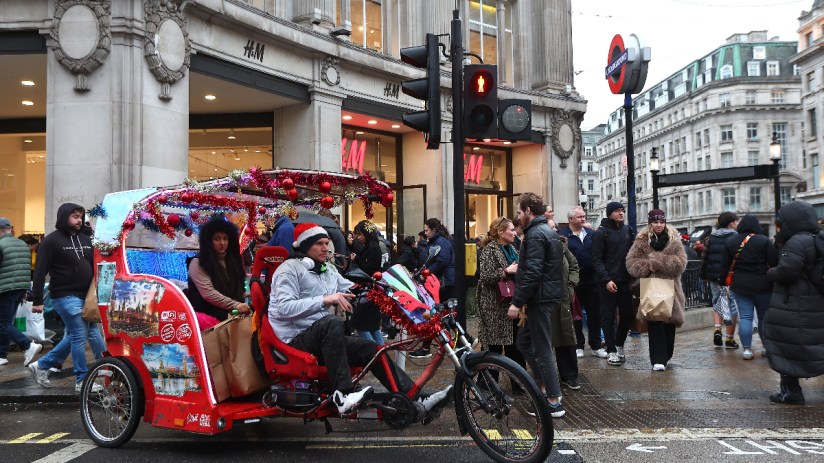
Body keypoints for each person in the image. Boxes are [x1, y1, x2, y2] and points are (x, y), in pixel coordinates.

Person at [268, 223, 451, 415]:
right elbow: (283, 308)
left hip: (323, 338)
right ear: (305, 246)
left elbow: (350, 286)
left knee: (371, 349)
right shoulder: (288, 270)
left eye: (326, 243)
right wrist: (325, 300)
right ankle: (343, 395)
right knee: (332, 322)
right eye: (319, 244)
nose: (325, 248)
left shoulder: (327, 269)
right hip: (294, 341)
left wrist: (387, 290)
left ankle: (415, 398)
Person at [28, 204, 101, 392]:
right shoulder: (51, 241)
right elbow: (40, 272)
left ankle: (42, 365)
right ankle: (82, 380)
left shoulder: (85, 238)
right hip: (64, 295)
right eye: (74, 216)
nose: (79, 220)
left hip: (86, 296)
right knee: (79, 334)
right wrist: (37, 300)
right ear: (63, 217)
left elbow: (94, 263)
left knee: (90, 332)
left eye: (80, 216)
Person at [507, 192, 566, 418]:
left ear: (529, 211)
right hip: (544, 296)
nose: (518, 216)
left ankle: (553, 400)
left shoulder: (534, 235)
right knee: (524, 341)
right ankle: (542, 387)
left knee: (543, 349)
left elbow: (532, 273)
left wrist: (516, 302)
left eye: (520, 212)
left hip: (540, 298)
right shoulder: (544, 232)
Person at [762, 201, 824, 405]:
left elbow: (788, 271)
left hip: (794, 305)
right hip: (816, 303)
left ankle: (791, 392)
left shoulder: (795, 242)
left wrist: (770, 273)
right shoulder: (816, 238)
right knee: (817, 345)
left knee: (786, 347)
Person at [625, 209, 688, 371]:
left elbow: (681, 263)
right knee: (655, 323)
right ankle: (657, 359)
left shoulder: (674, 239)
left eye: (661, 222)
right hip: (652, 287)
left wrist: (658, 261)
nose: (659, 225)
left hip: (672, 287)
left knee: (668, 325)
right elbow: (631, 263)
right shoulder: (641, 240)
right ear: (650, 223)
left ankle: (665, 355)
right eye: (655, 222)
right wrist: (648, 266)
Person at [718, 214, 777, 360]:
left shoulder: (731, 242)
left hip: (740, 285)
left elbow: (724, 266)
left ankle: (747, 350)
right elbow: (774, 262)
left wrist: (722, 281)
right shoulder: (764, 241)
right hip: (763, 284)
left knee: (745, 316)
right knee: (764, 317)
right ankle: (766, 347)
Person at [476, 217, 525, 371]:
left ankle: (518, 383)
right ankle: (488, 386)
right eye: (511, 230)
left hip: (511, 302)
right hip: (494, 307)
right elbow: (485, 276)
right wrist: (505, 271)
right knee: (494, 348)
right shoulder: (489, 250)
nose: (514, 233)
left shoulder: (512, 249)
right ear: (501, 232)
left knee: (514, 346)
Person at [591, 202, 635, 366]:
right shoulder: (601, 233)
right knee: (608, 317)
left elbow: (633, 253)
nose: (621, 213)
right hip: (607, 282)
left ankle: (619, 344)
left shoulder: (627, 230)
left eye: (622, 210)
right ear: (609, 213)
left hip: (625, 281)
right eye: (617, 211)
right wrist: (606, 279)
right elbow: (596, 259)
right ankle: (611, 350)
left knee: (627, 315)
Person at [187, 218, 251, 329]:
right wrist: (236, 305)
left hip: (232, 310)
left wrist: (247, 296)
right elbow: (209, 294)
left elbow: (239, 286)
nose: (222, 243)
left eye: (225, 239)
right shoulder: (197, 262)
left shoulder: (232, 260)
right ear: (209, 241)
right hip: (209, 314)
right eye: (217, 239)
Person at [559, 206, 605, 359]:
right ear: (570, 219)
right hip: (574, 283)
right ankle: (578, 345)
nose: (583, 219)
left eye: (584, 216)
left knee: (595, 314)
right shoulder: (563, 235)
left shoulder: (591, 234)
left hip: (592, 281)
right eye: (579, 217)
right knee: (575, 316)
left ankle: (596, 345)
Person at [410, 218, 455, 359]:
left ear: (434, 230)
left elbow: (442, 261)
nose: (425, 232)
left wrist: (427, 273)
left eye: (427, 230)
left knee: (437, 314)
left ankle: (460, 341)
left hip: (441, 283)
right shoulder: (436, 242)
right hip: (437, 282)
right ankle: (429, 345)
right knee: (436, 315)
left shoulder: (441, 242)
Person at [0, 218, 42, 367]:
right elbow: (25, 268)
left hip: (5, 288)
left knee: (3, 323)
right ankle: (2, 354)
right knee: (6, 322)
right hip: (21, 288)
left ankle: (28, 345)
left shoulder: (1, 244)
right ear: (10, 228)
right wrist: (24, 289)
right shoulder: (23, 244)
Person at [700, 212, 739, 349]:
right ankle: (729, 339)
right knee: (732, 305)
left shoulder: (711, 237)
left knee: (717, 302)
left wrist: (704, 274)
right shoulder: (735, 236)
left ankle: (717, 329)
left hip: (713, 277)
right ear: (731, 223)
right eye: (736, 222)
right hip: (730, 276)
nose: (737, 224)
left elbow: (704, 257)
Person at [349, 220, 385, 345]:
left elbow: (370, 269)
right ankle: (380, 352)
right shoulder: (371, 246)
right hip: (371, 291)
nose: (358, 238)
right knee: (372, 325)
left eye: (360, 235)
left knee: (360, 322)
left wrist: (357, 260)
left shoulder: (373, 248)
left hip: (369, 291)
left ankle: (373, 351)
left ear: (367, 233)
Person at [554, 236, 581, 389]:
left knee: (565, 336)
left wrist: (570, 285)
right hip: (543, 299)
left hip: (562, 298)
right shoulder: (534, 245)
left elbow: (574, 265)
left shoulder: (562, 247)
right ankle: (543, 379)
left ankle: (569, 375)